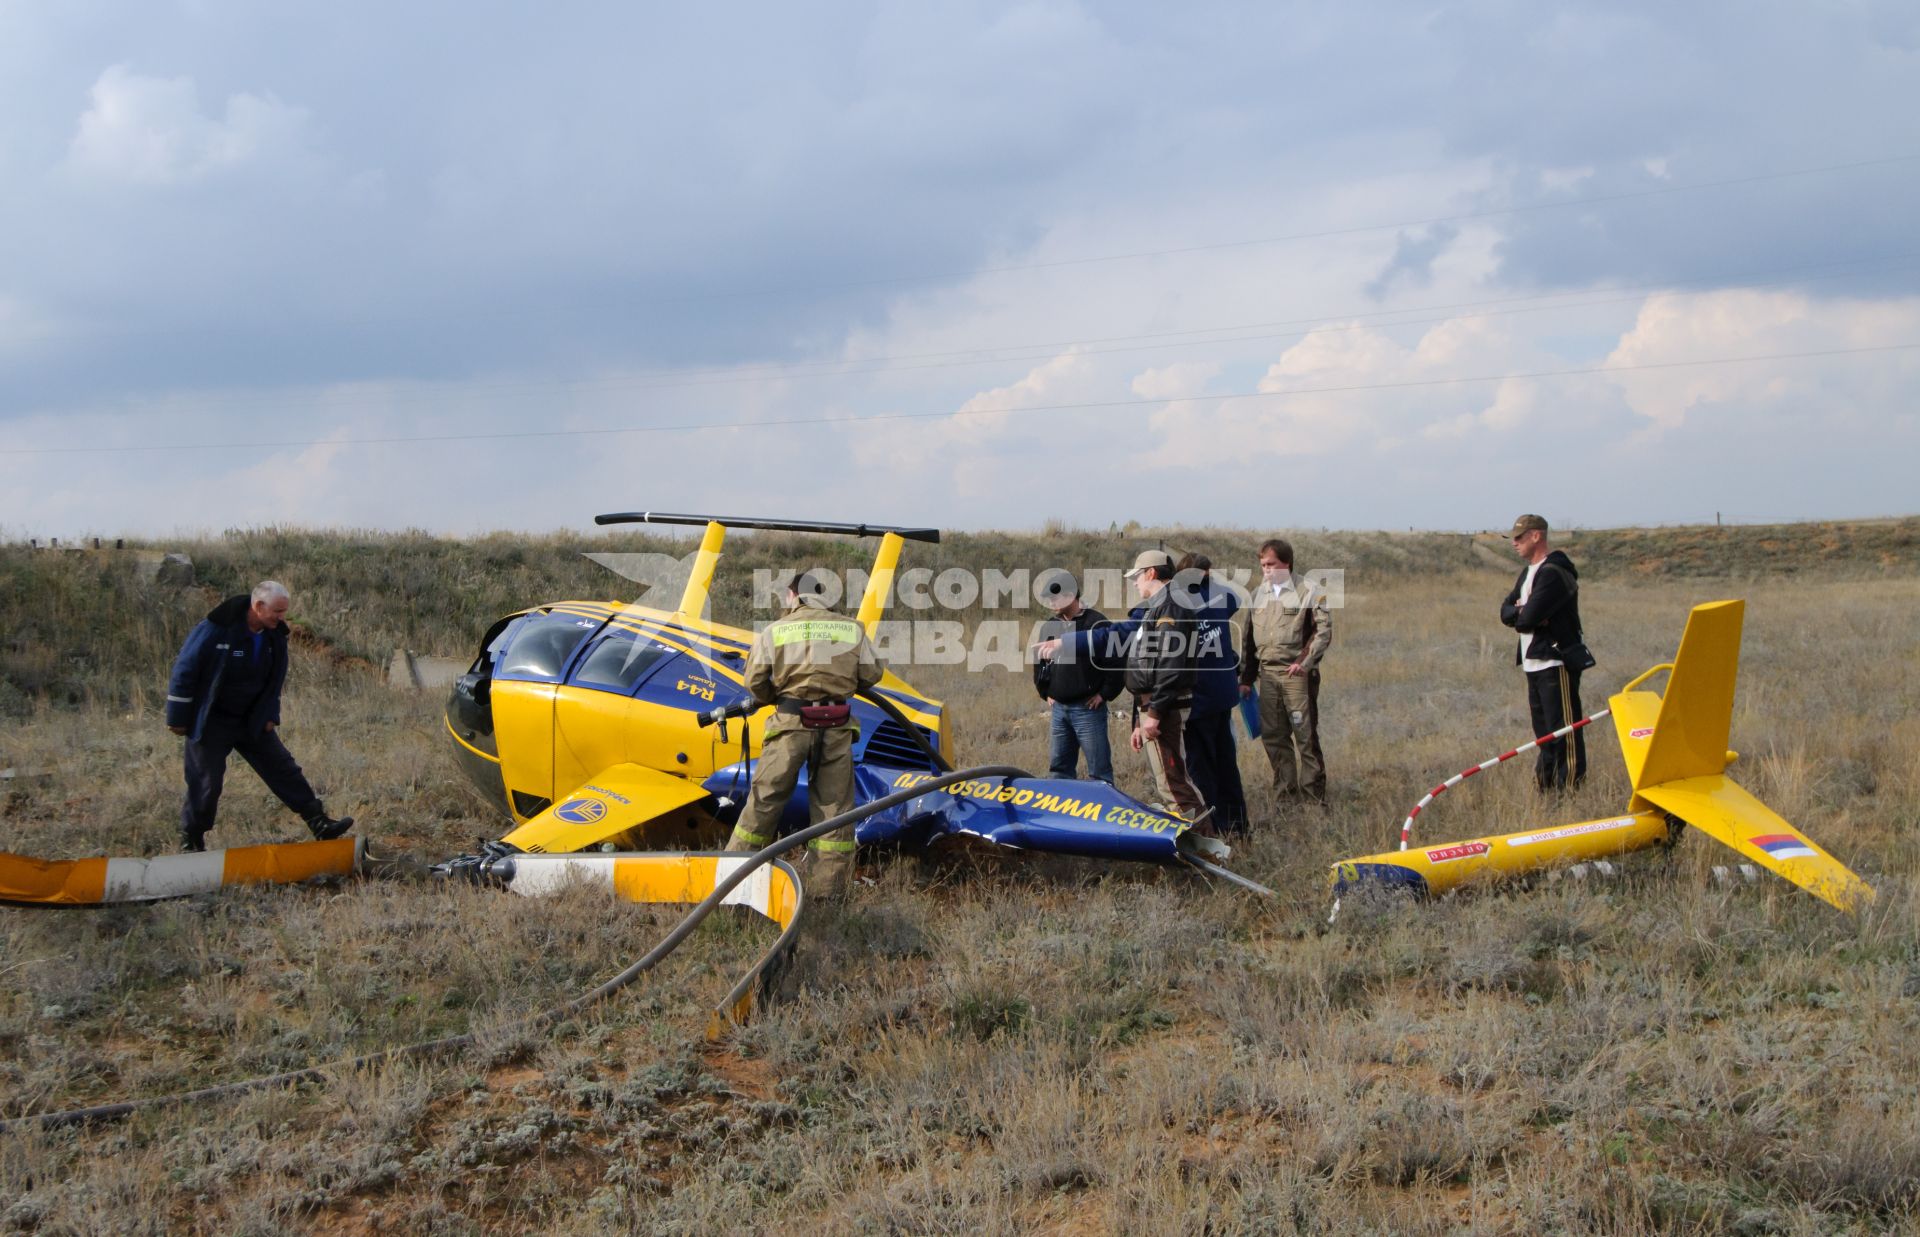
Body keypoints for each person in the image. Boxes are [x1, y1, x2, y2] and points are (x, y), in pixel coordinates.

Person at [724, 570, 884, 897]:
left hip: (790, 726)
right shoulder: (851, 629)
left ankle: (733, 883)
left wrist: (775, 695)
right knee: (835, 812)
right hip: (836, 728)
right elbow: (872, 673)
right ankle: (828, 893)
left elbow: (754, 682)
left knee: (764, 802)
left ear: (792, 595)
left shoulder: (775, 630)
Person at [166, 581, 353, 853]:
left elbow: (275, 680)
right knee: (206, 782)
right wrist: (178, 716)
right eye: (277, 611)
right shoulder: (215, 629)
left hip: (251, 719)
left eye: (284, 611)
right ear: (258, 606)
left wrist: (270, 715)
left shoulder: (274, 636)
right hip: (212, 720)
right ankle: (191, 840)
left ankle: (319, 823)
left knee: (284, 769)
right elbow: (185, 670)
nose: (282, 617)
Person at [1235, 538, 1332, 805]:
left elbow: (1322, 631)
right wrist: (1246, 678)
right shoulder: (1257, 595)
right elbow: (1249, 639)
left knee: (1305, 736)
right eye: (1262, 564)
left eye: (1271, 564)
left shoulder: (1310, 591)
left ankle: (1314, 798)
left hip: (1297, 676)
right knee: (1274, 737)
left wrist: (1304, 661)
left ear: (1286, 563)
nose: (1266, 569)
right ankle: (1285, 797)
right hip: (1267, 676)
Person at [1499, 514, 1588, 791]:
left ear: (1536, 536)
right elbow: (1505, 612)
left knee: (1565, 731)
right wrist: (1523, 612)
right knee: (1544, 734)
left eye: (1519, 537)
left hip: (1554, 660)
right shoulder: (1528, 573)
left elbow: (1524, 620)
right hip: (1532, 661)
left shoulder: (1553, 572)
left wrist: (1523, 614)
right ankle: (1546, 787)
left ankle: (1570, 790)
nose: (1514, 543)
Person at [1121, 549, 1209, 825]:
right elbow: (1147, 667)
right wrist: (1139, 718)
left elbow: (1171, 665)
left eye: (1137, 577)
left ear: (1151, 573)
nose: (1135, 583)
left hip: (1165, 709)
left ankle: (1208, 850)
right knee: (1169, 783)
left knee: (1174, 785)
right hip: (1155, 706)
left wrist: (1155, 713)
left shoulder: (1171, 605)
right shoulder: (1160, 606)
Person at [1174, 553, 1249, 833]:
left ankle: (1214, 826)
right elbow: (1235, 599)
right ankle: (1238, 824)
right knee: (1226, 764)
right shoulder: (1218, 596)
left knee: (1200, 768)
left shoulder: (1179, 603)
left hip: (1198, 700)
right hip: (1222, 694)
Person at [1031, 573, 1122, 783]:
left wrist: (1104, 694)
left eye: (1055, 597)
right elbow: (1039, 662)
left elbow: (1117, 662)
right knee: (1059, 771)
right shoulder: (1049, 626)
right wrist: (1045, 692)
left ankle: (1102, 813)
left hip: (1088, 709)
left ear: (1071, 595)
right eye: (1049, 598)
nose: (1051, 602)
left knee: (1099, 773)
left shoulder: (1097, 623)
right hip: (1059, 710)